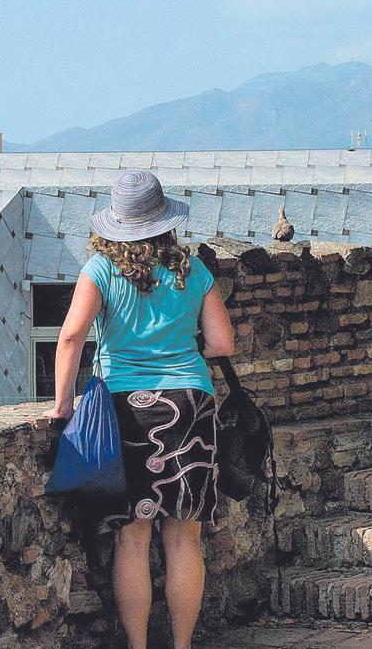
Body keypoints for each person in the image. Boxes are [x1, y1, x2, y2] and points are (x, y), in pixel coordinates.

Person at [40, 170, 236, 649]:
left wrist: (63, 405)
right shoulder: (194, 270)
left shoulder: (101, 271)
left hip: (128, 410)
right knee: (185, 538)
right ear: (165, 221)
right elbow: (222, 342)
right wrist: (180, 350)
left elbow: (70, 336)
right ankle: (184, 645)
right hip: (191, 404)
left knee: (133, 536)